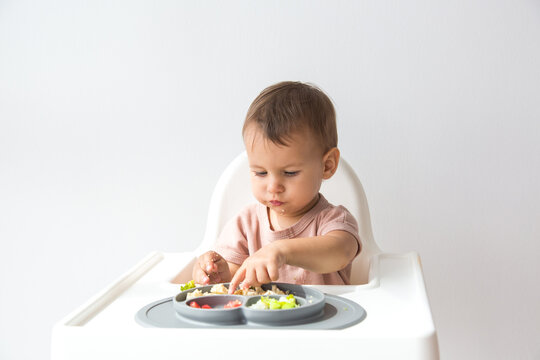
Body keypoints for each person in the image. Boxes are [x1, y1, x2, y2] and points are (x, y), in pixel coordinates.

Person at [192, 81, 361, 294]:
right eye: (260, 173)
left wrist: (281, 250)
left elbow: (340, 252)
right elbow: (235, 279)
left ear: (327, 165)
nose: (273, 187)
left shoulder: (333, 221)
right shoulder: (246, 224)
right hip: (262, 326)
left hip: (324, 323)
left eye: (290, 173)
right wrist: (216, 272)